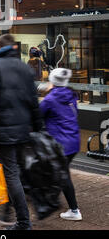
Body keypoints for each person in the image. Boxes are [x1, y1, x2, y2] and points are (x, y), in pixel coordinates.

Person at [0, 34, 43, 230]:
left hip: (3, 131)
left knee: (11, 175)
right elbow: (33, 101)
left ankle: (23, 222)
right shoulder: (24, 68)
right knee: (16, 172)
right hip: (23, 130)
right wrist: (38, 127)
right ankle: (11, 212)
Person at [39, 68, 82, 221]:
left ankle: (74, 210)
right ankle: (49, 199)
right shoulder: (71, 95)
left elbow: (38, 116)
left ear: (52, 81)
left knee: (62, 175)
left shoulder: (50, 99)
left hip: (61, 144)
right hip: (74, 141)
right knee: (58, 172)